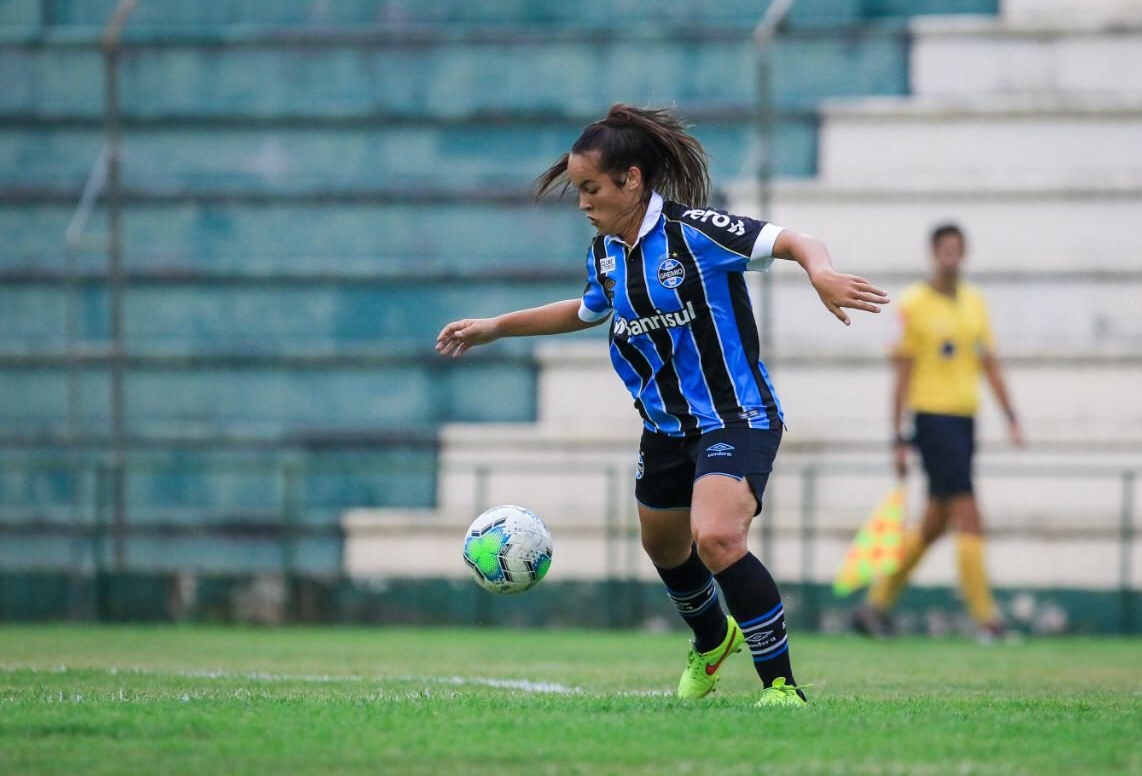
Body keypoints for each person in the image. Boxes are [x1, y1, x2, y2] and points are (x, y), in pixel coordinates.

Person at [436, 104, 889, 705]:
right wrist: (497, 326)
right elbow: (586, 310)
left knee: (717, 539)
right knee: (664, 548)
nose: (583, 202)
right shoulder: (605, 252)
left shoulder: (694, 232)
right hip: (665, 426)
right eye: (578, 190)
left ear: (632, 180)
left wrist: (822, 273)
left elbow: (794, 240)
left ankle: (781, 688)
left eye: (591, 188)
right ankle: (711, 639)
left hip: (736, 414)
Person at [852, 223, 1022, 642]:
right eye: (944, 250)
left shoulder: (975, 303)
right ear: (933, 253)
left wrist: (1011, 415)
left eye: (957, 250)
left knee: (932, 524)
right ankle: (988, 621)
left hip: (964, 421)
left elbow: (989, 363)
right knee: (969, 513)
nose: (951, 257)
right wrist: (897, 437)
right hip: (932, 418)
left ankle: (875, 605)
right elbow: (902, 375)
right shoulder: (914, 304)